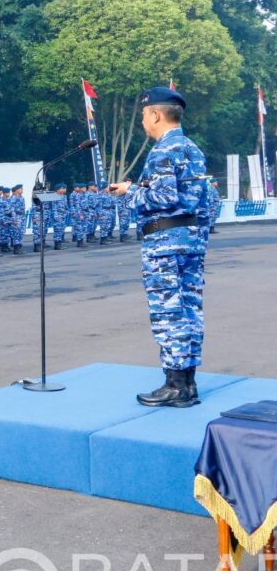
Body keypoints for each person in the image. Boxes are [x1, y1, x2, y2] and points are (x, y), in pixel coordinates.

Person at [108, 87, 208, 408]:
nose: (142, 121)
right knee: (189, 308)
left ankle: (175, 385)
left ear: (155, 114)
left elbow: (163, 197)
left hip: (164, 243)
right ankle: (188, 383)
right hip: (190, 241)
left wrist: (129, 191)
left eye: (143, 115)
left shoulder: (163, 150)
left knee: (167, 311)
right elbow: (207, 201)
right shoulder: (193, 150)